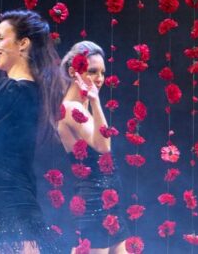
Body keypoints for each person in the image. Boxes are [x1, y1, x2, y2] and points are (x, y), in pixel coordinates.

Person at [0, 9, 66, 253]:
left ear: (23, 44)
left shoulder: (13, 89)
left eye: (1, 38)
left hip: (5, 203)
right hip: (7, 200)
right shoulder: (32, 90)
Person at [58, 41, 129, 253]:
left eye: (102, 73)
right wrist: (96, 102)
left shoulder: (80, 106)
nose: (99, 79)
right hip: (94, 204)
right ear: (73, 72)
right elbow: (103, 145)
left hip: (107, 204)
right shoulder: (71, 108)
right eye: (92, 71)